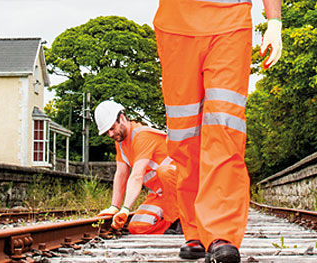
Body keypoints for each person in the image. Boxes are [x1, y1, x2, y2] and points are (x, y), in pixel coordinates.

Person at [153, 0, 282, 262]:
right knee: (184, 137)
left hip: (230, 25)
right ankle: (195, 231)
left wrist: (274, 21)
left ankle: (222, 234)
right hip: (175, 28)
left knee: (224, 130)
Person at [95, 100, 180, 234]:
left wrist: (126, 208)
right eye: (107, 132)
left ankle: (181, 222)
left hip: (183, 191)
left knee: (165, 171)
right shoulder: (121, 143)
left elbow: (137, 175)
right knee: (137, 227)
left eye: (112, 128)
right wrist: (114, 207)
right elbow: (121, 175)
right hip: (161, 195)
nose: (110, 135)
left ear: (122, 118)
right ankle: (172, 228)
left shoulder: (142, 136)